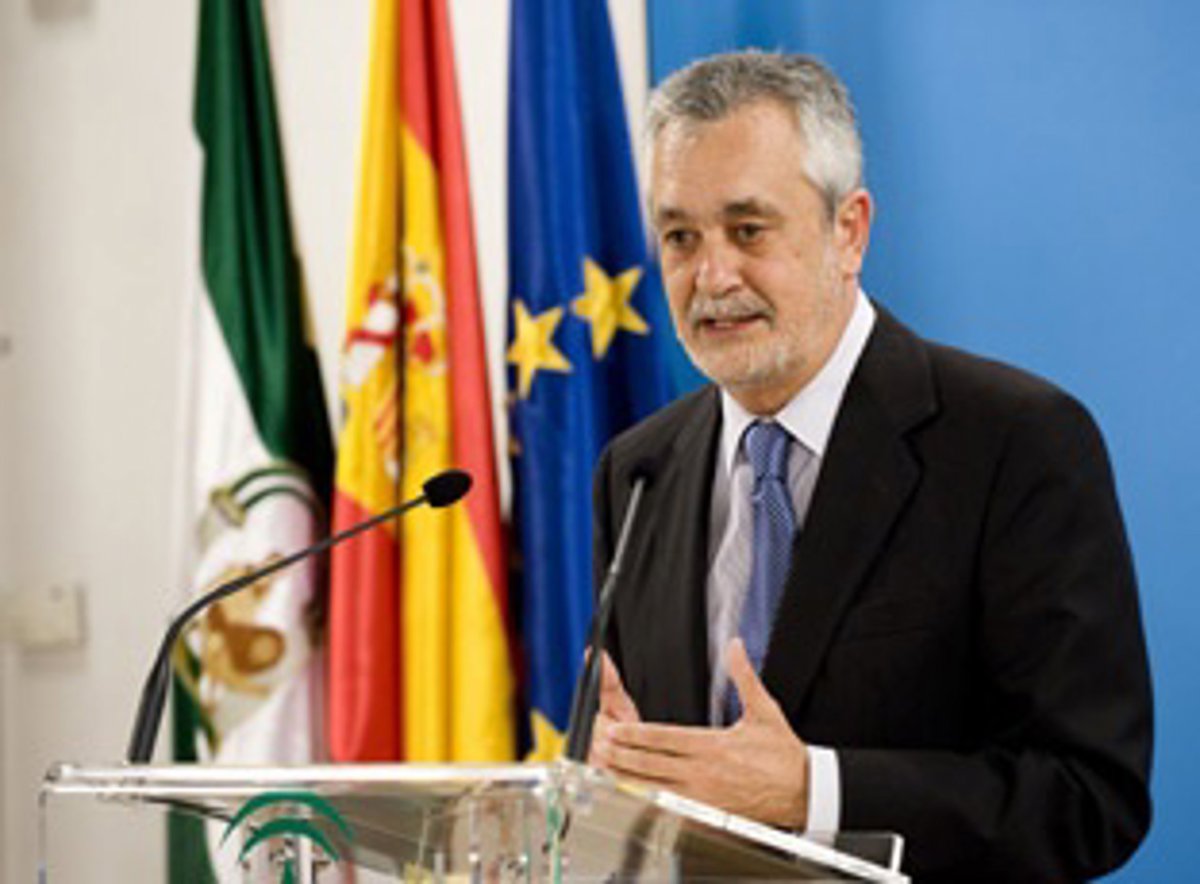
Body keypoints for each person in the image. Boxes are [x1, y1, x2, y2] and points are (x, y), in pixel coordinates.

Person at [587, 51, 1152, 882]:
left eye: (748, 231)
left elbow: (1088, 798)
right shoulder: (638, 471)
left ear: (848, 230)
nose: (711, 277)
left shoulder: (1017, 443)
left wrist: (812, 792)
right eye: (680, 238)